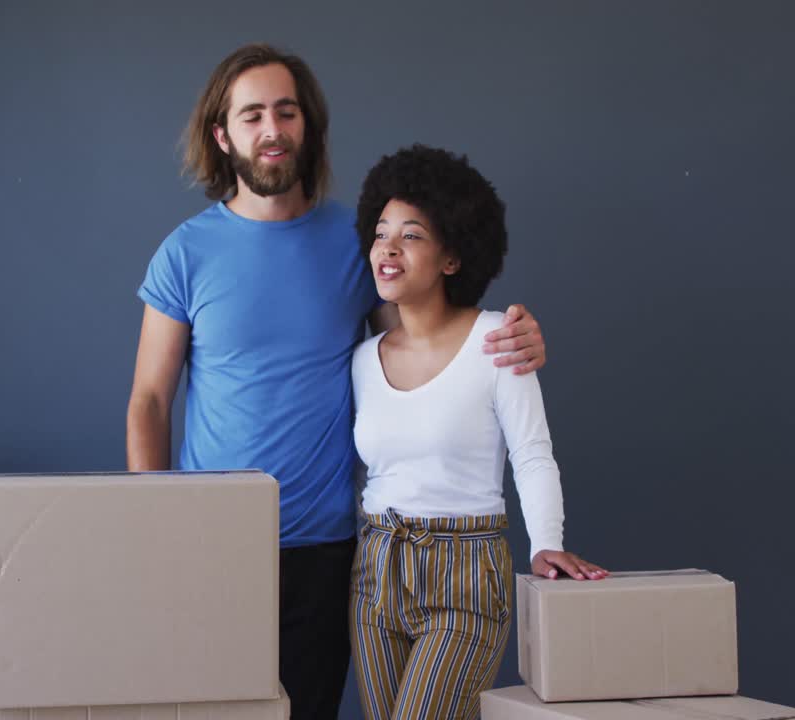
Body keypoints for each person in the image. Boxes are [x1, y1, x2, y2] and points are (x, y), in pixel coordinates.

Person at [126, 45, 548, 720]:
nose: (272, 129)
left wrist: (507, 336)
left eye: (286, 112)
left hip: (327, 547)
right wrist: (156, 525)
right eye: (253, 113)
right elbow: (149, 399)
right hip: (212, 542)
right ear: (222, 134)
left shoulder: (354, 244)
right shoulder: (185, 253)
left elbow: (422, 344)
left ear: (308, 127)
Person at [349, 144, 607, 720]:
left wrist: (546, 544)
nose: (389, 248)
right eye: (381, 232)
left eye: (412, 235)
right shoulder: (362, 360)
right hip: (376, 569)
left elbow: (533, 453)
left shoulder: (497, 340)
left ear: (452, 258)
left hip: (463, 573)